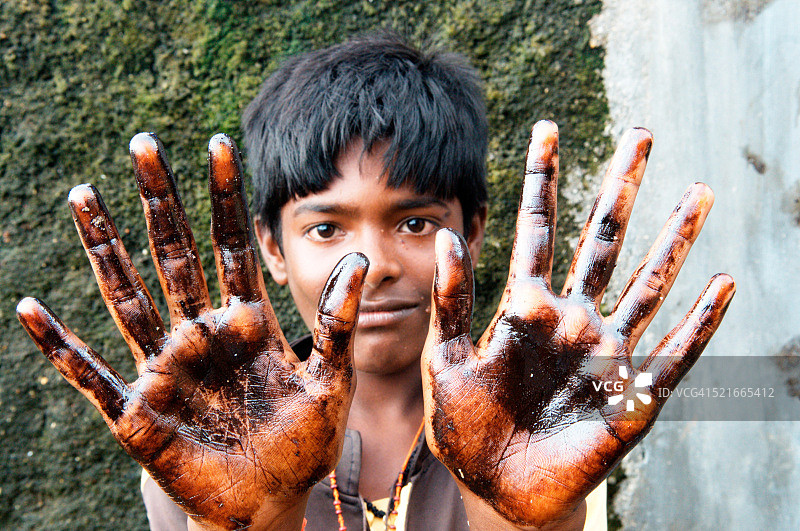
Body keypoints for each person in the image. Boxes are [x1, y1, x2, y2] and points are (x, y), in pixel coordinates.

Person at [16, 32, 735, 531]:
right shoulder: (197, 437)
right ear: (269, 249)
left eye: (415, 223)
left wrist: (519, 522)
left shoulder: (556, 399)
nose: (373, 264)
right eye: (326, 229)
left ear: (474, 231)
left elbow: (707, 392)